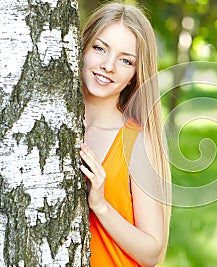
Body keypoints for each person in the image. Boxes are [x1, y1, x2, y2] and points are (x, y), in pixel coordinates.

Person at [79, 2, 171, 266]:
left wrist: (101, 206)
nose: (108, 66)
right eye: (99, 48)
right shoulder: (46, 125)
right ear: (82, 48)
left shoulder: (135, 140)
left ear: (134, 74)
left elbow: (152, 252)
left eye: (125, 60)